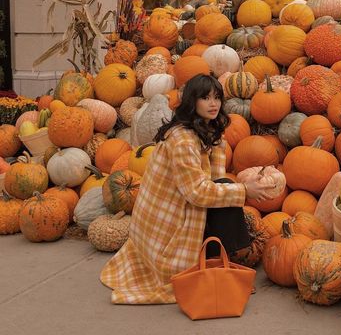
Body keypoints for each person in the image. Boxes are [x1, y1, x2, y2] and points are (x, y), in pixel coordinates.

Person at [100, 73, 273, 304]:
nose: (213, 104)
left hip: (182, 206)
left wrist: (218, 143)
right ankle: (219, 269)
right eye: (205, 98)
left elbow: (215, 180)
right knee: (230, 193)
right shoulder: (182, 140)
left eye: (217, 98)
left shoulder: (204, 131)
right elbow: (198, 192)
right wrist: (244, 191)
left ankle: (221, 267)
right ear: (193, 101)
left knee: (225, 193)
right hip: (167, 224)